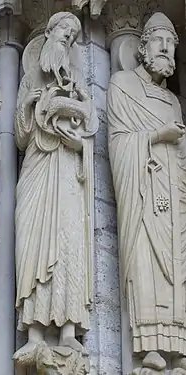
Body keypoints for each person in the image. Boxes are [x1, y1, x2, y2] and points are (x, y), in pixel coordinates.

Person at [14, 11, 98, 358]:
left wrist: (79, 141)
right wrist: (32, 102)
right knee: (34, 244)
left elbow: (89, 127)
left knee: (68, 244)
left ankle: (67, 329)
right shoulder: (30, 79)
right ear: (48, 33)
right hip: (38, 166)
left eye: (75, 34)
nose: (69, 37)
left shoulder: (78, 82)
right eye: (64, 29)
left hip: (67, 171)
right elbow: (19, 137)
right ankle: (33, 333)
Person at [107, 12, 186, 363]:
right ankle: (147, 347)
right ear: (141, 47)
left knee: (175, 267)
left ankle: (175, 346)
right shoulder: (122, 84)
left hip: (173, 189)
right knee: (145, 263)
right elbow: (117, 143)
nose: (166, 49)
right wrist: (157, 137)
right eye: (159, 41)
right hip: (141, 188)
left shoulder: (173, 102)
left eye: (171, 44)